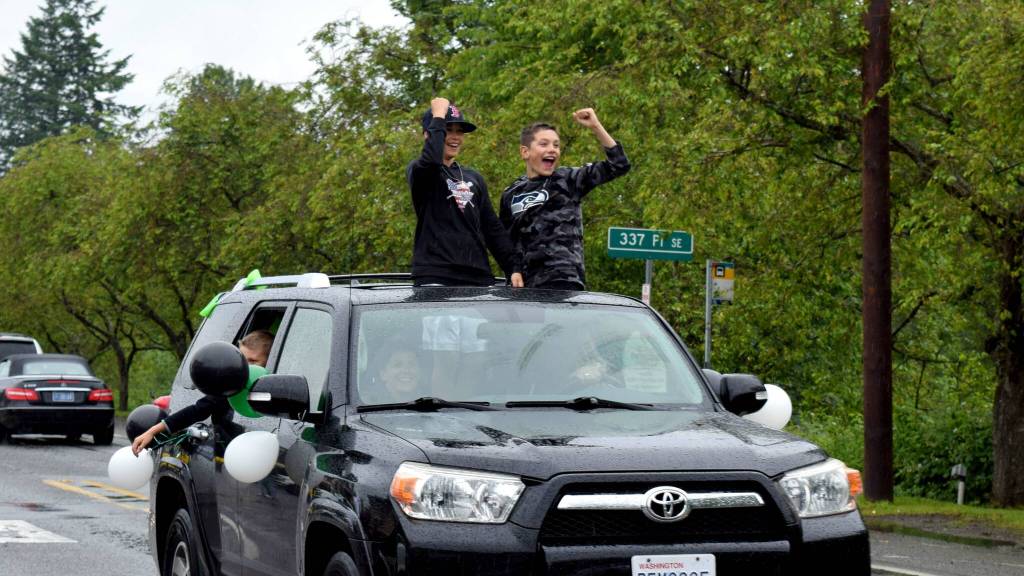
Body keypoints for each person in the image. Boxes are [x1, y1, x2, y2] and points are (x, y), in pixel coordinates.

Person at [500, 108, 631, 290]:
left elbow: (619, 165)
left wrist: (595, 126)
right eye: (544, 144)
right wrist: (512, 271)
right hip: (525, 285)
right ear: (525, 152)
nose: (552, 150)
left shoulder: (568, 179)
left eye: (556, 145)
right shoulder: (511, 193)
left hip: (563, 280)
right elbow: (505, 241)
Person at [407, 96, 524, 288]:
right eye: (447, 129)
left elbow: (491, 227)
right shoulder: (420, 171)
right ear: (429, 134)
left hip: (477, 276)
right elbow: (430, 161)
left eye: (459, 131)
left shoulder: (473, 177)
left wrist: (513, 267)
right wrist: (437, 116)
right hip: (435, 275)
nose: (455, 137)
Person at [131, 330, 272, 456]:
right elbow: (196, 411)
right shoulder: (230, 387)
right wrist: (151, 432)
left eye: (253, 361)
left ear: (270, 362)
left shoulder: (277, 392)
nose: (244, 368)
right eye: (242, 360)